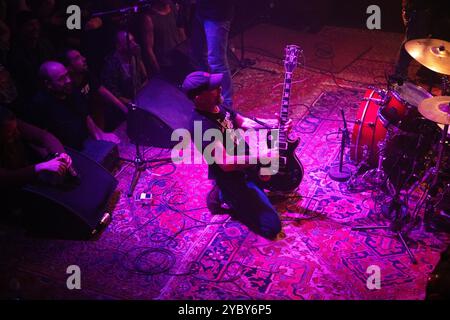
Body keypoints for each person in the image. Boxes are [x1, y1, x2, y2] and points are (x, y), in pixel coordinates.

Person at [182, 71, 292, 239]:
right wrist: (262, 157)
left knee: (278, 178)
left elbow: (243, 122)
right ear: (199, 98)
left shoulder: (217, 105)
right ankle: (224, 194)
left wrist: (274, 124)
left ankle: (250, 188)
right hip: (232, 175)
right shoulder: (200, 126)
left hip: (246, 160)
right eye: (213, 88)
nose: (219, 88)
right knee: (272, 227)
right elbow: (226, 164)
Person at [29, 61, 120, 151]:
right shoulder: (40, 104)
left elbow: (86, 116)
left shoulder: (72, 90)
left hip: (85, 142)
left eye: (67, 75)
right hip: (65, 152)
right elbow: (37, 140)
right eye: (61, 79)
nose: (68, 80)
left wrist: (99, 136)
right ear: (48, 84)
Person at [0, 105, 72, 189]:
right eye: (11, 133)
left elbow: (43, 136)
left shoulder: (10, 124)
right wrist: (41, 166)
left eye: (16, 129)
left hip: (26, 171)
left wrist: (61, 154)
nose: (17, 133)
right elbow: (8, 178)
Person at [63, 49, 128, 130]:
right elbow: (83, 115)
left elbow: (102, 90)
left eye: (81, 56)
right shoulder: (70, 88)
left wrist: (125, 109)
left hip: (94, 120)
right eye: (77, 58)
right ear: (69, 68)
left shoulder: (86, 74)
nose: (84, 59)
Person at [191, 0, 235, 108]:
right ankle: (207, 96)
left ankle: (226, 105)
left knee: (216, 61)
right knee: (198, 56)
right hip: (201, 10)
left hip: (217, 14)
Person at [8, 10, 54, 99]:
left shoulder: (45, 44)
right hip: (33, 97)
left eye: (37, 24)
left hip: (52, 89)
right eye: (30, 24)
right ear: (21, 28)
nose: (35, 27)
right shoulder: (15, 53)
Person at [101, 30, 148, 105]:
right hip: (123, 107)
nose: (135, 44)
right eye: (129, 43)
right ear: (118, 46)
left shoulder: (134, 56)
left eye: (134, 40)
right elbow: (114, 95)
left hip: (138, 100)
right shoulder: (111, 66)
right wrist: (133, 104)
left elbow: (144, 78)